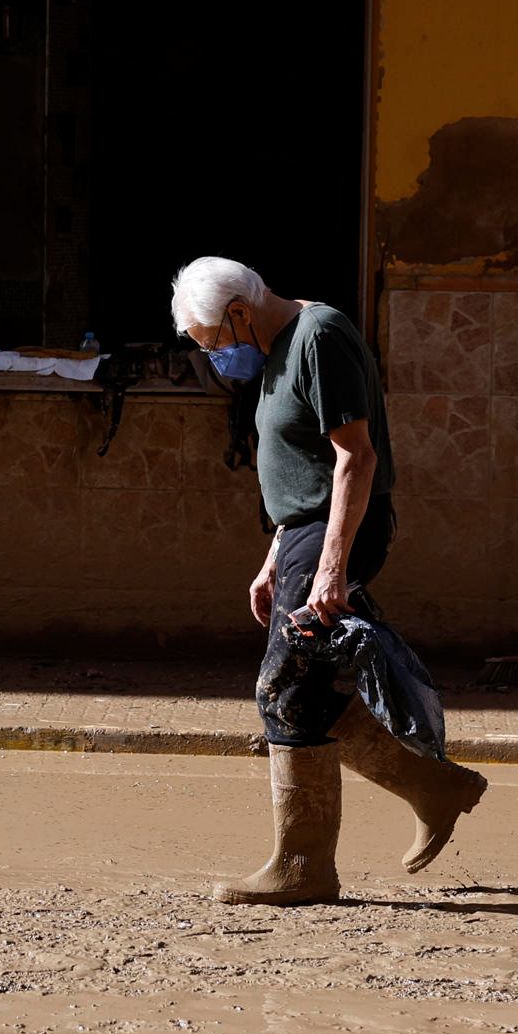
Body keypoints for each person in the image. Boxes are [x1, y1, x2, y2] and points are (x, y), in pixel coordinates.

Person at [171, 257, 486, 906]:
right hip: (303, 534)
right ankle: (433, 787)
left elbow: (354, 456)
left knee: (281, 687)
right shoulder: (277, 350)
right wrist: (271, 559)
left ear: (238, 310)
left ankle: (302, 865)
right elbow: (298, 469)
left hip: (335, 533)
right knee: (304, 692)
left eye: (214, 343)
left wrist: (331, 567)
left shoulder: (319, 337)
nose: (218, 358)